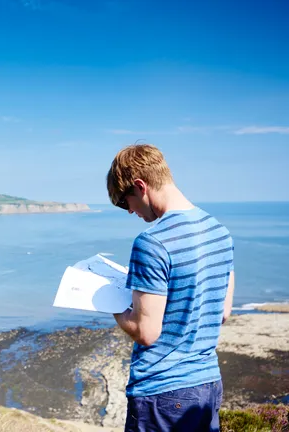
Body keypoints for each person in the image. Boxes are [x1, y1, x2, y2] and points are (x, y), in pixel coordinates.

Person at [106, 144, 235, 432]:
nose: (129, 211)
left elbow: (147, 333)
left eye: (124, 202)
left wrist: (110, 305)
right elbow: (223, 312)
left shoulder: (152, 243)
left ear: (141, 187)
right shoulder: (219, 232)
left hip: (162, 393)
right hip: (207, 385)